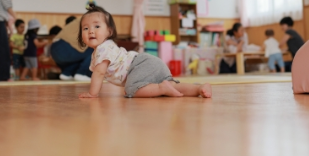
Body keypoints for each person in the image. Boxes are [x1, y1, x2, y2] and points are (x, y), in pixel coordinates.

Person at [77, 5, 212, 99]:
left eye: (97, 26)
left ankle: (161, 88)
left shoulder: (103, 49)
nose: (91, 31)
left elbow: (99, 72)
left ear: (110, 31)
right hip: (149, 63)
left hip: (140, 65)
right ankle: (199, 89)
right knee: (171, 84)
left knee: (131, 90)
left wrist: (92, 94)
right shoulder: (104, 48)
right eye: (85, 28)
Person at [51, 16, 94, 82]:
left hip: (54, 49)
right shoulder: (92, 21)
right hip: (64, 48)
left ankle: (67, 73)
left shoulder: (80, 20)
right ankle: (82, 73)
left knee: (82, 54)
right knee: (95, 50)